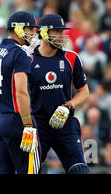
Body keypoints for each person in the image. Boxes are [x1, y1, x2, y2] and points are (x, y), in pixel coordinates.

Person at [0, 10, 39, 174]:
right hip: (16, 119)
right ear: (19, 29)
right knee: (30, 171)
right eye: (30, 29)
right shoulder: (20, 53)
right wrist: (28, 124)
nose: (33, 33)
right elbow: (21, 92)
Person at [29, 13, 91, 174]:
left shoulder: (71, 58)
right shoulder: (27, 60)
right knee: (30, 170)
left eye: (62, 31)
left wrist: (68, 106)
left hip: (65, 122)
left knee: (80, 169)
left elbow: (84, 92)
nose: (62, 35)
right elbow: (19, 94)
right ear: (43, 33)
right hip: (38, 124)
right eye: (56, 31)